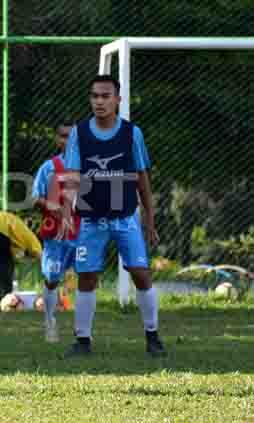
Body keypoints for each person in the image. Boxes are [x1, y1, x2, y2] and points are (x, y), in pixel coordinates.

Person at [61, 75, 166, 357]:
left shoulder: (132, 133)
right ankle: (82, 341)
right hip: (91, 219)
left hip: (125, 217)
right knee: (87, 276)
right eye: (95, 96)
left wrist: (150, 218)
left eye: (106, 96)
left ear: (118, 100)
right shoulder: (79, 133)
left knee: (141, 274)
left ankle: (153, 336)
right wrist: (66, 210)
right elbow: (72, 176)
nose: (99, 101)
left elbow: (142, 176)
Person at [31, 122, 79, 342]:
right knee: (52, 278)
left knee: (87, 278)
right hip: (55, 235)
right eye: (63, 136)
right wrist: (53, 207)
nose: (67, 141)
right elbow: (36, 198)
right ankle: (50, 321)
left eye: (72, 136)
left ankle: (83, 329)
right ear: (57, 140)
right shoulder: (48, 168)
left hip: (82, 234)